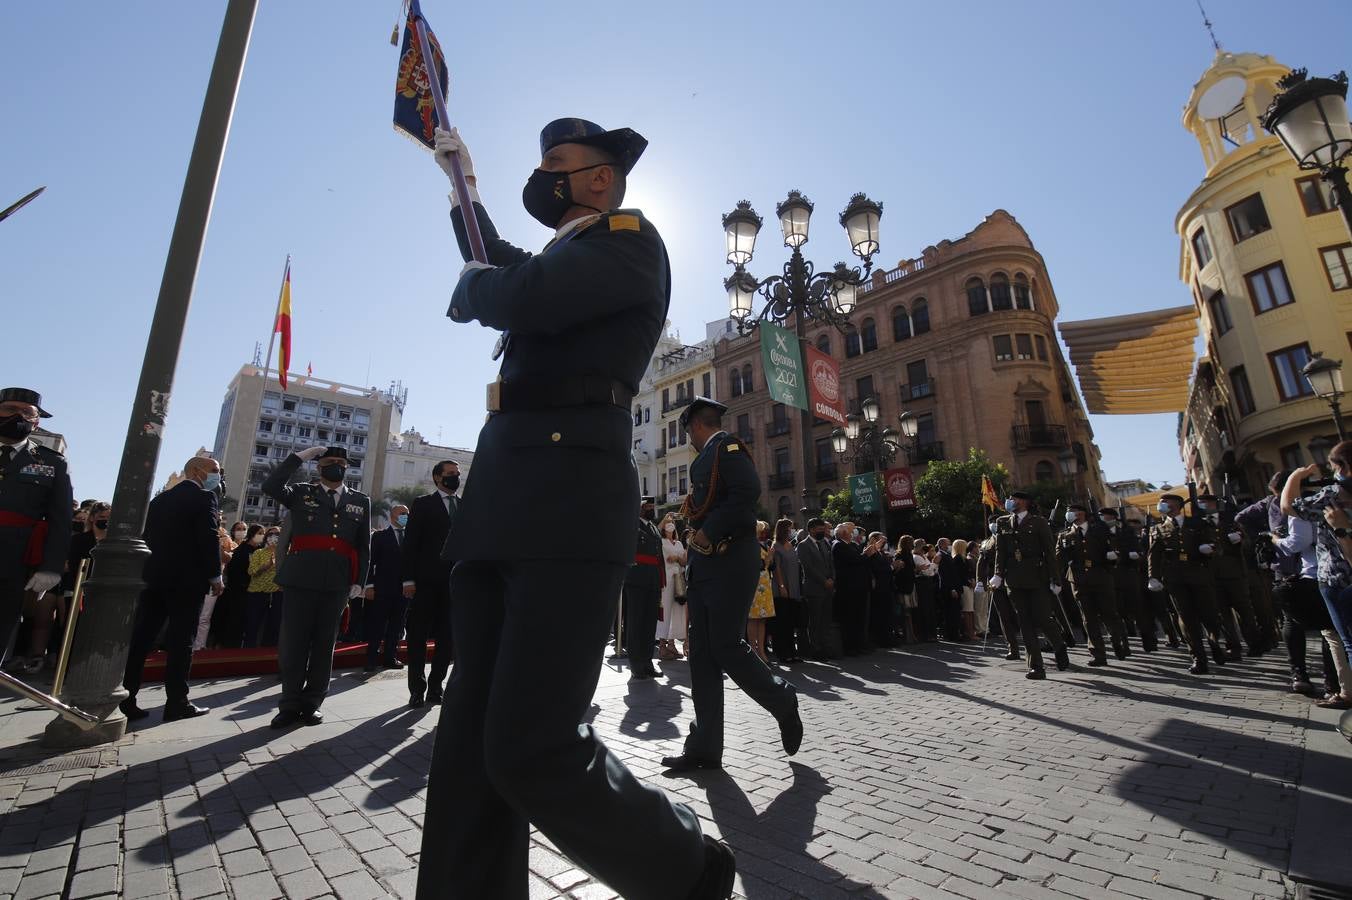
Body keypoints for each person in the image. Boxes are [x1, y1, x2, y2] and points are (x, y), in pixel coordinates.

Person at [420, 120, 733, 898]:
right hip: (503, 495)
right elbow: (505, 263)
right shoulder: (568, 252)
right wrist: (464, 191)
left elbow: (521, 293)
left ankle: (685, 863)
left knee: (531, 744)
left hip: (567, 495)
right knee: (467, 748)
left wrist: (471, 292)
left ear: (601, 178)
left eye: (558, 163)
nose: (545, 174)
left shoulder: (629, 241)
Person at [662, 398, 801, 778]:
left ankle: (782, 698)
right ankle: (705, 747)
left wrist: (709, 529)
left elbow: (747, 493)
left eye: (687, 430)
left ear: (694, 426)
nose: (687, 437)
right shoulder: (707, 457)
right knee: (703, 657)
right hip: (707, 564)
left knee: (725, 644)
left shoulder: (728, 448)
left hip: (729, 559)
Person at [262, 445, 371, 728]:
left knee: (325, 645)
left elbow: (363, 546)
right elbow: (271, 485)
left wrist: (359, 581)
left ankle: (312, 703)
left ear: (347, 467)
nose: (335, 465)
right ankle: (288, 704)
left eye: (340, 462)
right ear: (318, 466)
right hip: (300, 578)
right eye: (328, 461)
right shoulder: (300, 492)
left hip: (337, 582)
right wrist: (300, 456)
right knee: (294, 644)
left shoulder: (360, 501)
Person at [120, 455, 223, 721]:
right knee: (181, 641)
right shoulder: (203, 498)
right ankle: (177, 701)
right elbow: (208, 537)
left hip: (154, 577)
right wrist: (215, 575)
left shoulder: (159, 500)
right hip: (187, 581)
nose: (218, 476)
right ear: (197, 471)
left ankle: (126, 698)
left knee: (142, 639)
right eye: (214, 471)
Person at [0, 388, 72, 669]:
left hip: (12, 563)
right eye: (9, 410)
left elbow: (60, 520)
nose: (18, 417)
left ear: (37, 422)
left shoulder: (52, 462)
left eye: (27, 413)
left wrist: (51, 567)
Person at [1147, 493, 1227, 675]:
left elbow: (1217, 545)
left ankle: (1215, 644)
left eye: (1166, 501)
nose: (1162, 504)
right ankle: (1198, 657)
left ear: (1178, 504)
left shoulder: (1197, 523)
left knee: (1210, 616)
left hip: (1198, 573)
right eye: (1161, 501)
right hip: (1175, 577)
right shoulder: (1158, 528)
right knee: (1185, 617)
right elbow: (1154, 554)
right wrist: (1153, 577)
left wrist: (1209, 549)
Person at [991, 491, 1069, 679]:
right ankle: (1036, 666)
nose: (1010, 502)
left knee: (1043, 618)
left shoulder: (1039, 522)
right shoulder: (1003, 522)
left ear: (1025, 502)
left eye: (1014, 499)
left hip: (1037, 578)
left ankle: (1059, 645)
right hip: (1014, 580)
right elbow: (1000, 552)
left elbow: (1050, 552)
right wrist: (998, 574)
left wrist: (1055, 579)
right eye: (1010, 499)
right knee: (1025, 622)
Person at [402, 460, 460, 707]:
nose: (455, 477)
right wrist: (408, 579)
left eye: (457, 474)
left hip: (456, 585)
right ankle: (417, 689)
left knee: (447, 639)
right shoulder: (423, 504)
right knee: (418, 637)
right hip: (425, 583)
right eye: (450, 474)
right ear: (438, 478)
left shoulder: (465, 506)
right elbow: (411, 544)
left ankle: (436, 687)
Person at [1056, 503, 1130, 666]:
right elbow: (1058, 557)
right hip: (1078, 579)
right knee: (1088, 618)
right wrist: (1055, 579)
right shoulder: (1065, 535)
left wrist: (1114, 555)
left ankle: (1118, 642)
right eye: (1068, 512)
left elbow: (1117, 545)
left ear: (1082, 513)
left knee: (1109, 614)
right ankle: (1098, 654)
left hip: (1101, 576)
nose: (1070, 514)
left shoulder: (1100, 529)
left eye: (1073, 511)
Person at [1198, 492, 1263, 659]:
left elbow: (1248, 543)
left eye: (1204, 502)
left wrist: (1239, 538)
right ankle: (1233, 648)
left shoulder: (1230, 520)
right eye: (1200, 502)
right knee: (1222, 613)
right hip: (1212, 574)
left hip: (1234, 572)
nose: (1202, 505)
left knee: (1245, 611)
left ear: (1213, 504)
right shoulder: (1197, 525)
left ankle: (1255, 644)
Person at [364, 504, 410, 673]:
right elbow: (371, 562)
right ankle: (371, 659)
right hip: (382, 588)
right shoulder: (380, 536)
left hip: (403, 590)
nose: (405, 516)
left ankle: (390, 657)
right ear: (392, 516)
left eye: (407, 514)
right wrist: (369, 586)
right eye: (402, 513)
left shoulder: (410, 537)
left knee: (397, 625)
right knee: (377, 624)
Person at [624, 497, 665, 679]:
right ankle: (636, 663)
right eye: (647, 507)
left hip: (653, 580)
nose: (650, 509)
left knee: (649, 623)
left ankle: (648, 662)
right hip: (637, 579)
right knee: (636, 622)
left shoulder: (654, 528)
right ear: (639, 508)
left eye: (651, 506)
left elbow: (659, 557)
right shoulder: (633, 527)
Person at [976, 525, 1020, 660]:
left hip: (1014, 581)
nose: (995, 525)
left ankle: (1031, 641)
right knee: (1004, 616)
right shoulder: (986, 543)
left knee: (1021, 613)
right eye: (992, 523)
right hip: (995, 584)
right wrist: (980, 581)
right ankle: (1012, 647)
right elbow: (981, 563)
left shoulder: (1012, 538)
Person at [797, 516, 837, 659]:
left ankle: (826, 647)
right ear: (811, 530)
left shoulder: (824, 543)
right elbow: (808, 567)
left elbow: (831, 563)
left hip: (828, 588)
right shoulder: (803, 545)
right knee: (815, 621)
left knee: (826, 620)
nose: (822, 532)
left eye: (823, 529)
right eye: (819, 529)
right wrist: (823, 581)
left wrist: (832, 578)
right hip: (814, 588)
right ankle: (816, 649)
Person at [832, 522, 872, 655]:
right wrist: (866, 554)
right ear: (844, 533)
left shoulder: (849, 545)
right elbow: (854, 560)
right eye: (851, 531)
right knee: (849, 619)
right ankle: (850, 647)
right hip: (848, 588)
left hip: (857, 587)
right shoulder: (838, 545)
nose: (853, 533)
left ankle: (859, 645)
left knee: (858, 618)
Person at [770, 518, 804, 663]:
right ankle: (782, 652)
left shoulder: (790, 544)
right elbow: (776, 568)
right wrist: (782, 586)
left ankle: (792, 651)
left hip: (794, 587)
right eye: (790, 528)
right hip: (782, 588)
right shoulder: (776, 546)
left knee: (791, 621)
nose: (792, 531)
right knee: (782, 622)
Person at [656, 513, 688, 660]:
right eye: (668, 523)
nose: (671, 524)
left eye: (672, 522)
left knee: (677, 612)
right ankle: (662, 646)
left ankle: (671, 644)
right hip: (667, 581)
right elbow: (656, 529)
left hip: (678, 580)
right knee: (666, 610)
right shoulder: (661, 541)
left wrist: (678, 558)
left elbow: (683, 561)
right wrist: (665, 518)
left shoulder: (679, 543)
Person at [243, 525, 280, 647]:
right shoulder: (258, 552)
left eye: (277, 535)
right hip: (257, 594)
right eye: (270, 535)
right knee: (253, 626)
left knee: (273, 627)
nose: (274, 537)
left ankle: (266, 653)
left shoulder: (286, 554)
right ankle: (248, 652)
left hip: (276, 595)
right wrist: (266, 566)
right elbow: (251, 571)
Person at [746, 520, 776, 662]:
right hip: (754, 584)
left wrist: (770, 560)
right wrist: (768, 559)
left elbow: (771, 566)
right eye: (762, 530)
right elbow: (755, 565)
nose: (764, 533)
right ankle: (753, 650)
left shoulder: (763, 544)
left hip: (765, 583)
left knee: (762, 619)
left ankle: (762, 650)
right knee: (753, 619)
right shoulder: (749, 545)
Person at [867, 532, 897, 648]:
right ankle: (881, 639)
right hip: (879, 588)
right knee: (880, 614)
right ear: (874, 540)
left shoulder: (881, 553)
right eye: (882, 541)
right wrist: (891, 567)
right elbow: (876, 569)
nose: (884, 544)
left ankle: (888, 637)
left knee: (888, 614)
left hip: (887, 587)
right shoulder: (871, 552)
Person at [936, 537, 967, 642]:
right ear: (942, 545)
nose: (949, 546)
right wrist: (952, 588)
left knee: (955, 612)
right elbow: (945, 575)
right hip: (949, 588)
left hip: (954, 587)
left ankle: (955, 633)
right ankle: (952, 635)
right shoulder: (941, 555)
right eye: (947, 544)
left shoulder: (946, 555)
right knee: (951, 613)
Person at [892, 535, 917, 644]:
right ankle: (906, 636)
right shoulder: (899, 555)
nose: (913, 544)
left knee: (908, 611)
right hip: (902, 587)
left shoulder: (910, 555)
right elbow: (897, 571)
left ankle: (911, 635)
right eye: (911, 542)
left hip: (910, 585)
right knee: (904, 611)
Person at [912, 541, 939, 642]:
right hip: (922, 584)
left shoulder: (923, 556)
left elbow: (931, 570)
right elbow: (926, 571)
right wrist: (933, 564)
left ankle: (931, 634)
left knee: (930, 608)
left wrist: (931, 566)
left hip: (928, 583)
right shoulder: (916, 557)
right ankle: (925, 634)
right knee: (924, 608)